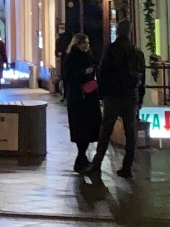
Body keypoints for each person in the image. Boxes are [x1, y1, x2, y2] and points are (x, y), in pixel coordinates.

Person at [90, 21, 146, 179]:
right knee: (130, 131)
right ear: (129, 32)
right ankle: (127, 166)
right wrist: (140, 96)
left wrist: (102, 94)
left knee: (106, 130)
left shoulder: (111, 50)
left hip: (113, 96)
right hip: (131, 96)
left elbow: (103, 73)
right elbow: (142, 76)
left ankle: (97, 163)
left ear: (118, 31)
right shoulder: (137, 52)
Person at [60, 32, 101, 173]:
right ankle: (81, 158)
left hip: (90, 97)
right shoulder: (71, 58)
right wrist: (84, 72)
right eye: (83, 43)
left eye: (87, 43)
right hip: (78, 98)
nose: (86, 46)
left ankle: (82, 157)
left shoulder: (90, 56)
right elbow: (68, 76)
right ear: (76, 44)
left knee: (89, 127)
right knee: (80, 128)